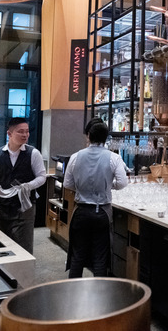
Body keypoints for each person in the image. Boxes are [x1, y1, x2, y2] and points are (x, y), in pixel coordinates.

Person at [63, 118, 128, 278]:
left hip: (81, 211)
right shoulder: (114, 158)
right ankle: (99, 295)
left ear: (89, 136)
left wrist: (82, 187)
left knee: (77, 256)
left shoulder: (76, 156)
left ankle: (72, 291)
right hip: (102, 213)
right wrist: (106, 185)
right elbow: (122, 183)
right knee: (100, 257)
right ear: (106, 137)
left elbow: (67, 183)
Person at [0, 118, 46, 254]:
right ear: (9, 133)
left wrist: (27, 186)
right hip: (2, 206)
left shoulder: (33, 153)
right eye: (20, 132)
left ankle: (23, 274)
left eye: (27, 132)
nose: (25, 135)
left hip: (24, 207)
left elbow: (42, 177)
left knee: (24, 247)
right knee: (1, 245)